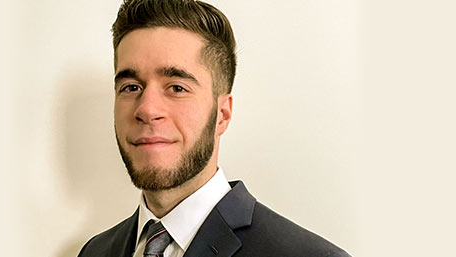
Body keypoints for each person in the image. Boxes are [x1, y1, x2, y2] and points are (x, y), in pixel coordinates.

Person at [77, 0, 350, 256]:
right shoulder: (95, 252)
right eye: (131, 87)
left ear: (222, 114)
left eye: (176, 87)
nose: (147, 109)